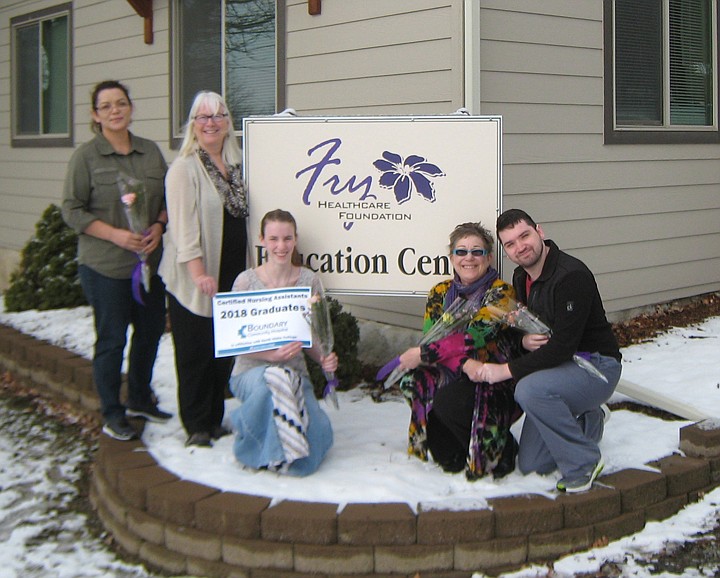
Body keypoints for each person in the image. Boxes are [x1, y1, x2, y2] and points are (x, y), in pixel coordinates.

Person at [471, 209, 622, 493]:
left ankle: (583, 464)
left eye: (524, 236)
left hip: (597, 367)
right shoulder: (520, 277)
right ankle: (591, 418)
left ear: (539, 232)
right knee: (532, 464)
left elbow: (563, 347)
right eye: (511, 244)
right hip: (559, 371)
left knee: (528, 390)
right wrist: (522, 342)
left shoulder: (571, 276)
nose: (520, 247)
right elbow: (525, 328)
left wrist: (504, 371)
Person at [62, 80, 171, 441]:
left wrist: (158, 225)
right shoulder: (86, 157)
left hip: (149, 265)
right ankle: (112, 410)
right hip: (105, 266)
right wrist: (115, 235)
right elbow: (71, 209)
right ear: (95, 114)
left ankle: (140, 397)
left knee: (151, 332)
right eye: (106, 106)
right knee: (112, 339)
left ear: (131, 108)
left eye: (121, 103)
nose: (115, 110)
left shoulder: (151, 153)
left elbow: (169, 201)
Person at [395, 222, 521, 480]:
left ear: (489, 257)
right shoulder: (439, 293)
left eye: (477, 251)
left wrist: (425, 355)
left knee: (450, 400)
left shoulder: (501, 293)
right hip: (455, 370)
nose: (469, 258)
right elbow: (432, 339)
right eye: (461, 251)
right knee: (414, 381)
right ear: (452, 257)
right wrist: (455, 362)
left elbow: (475, 336)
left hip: (493, 376)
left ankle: (501, 448)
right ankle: (461, 441)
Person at [159, 91, 248, 448]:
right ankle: (197, 424)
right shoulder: (184, 169)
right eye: (203, 117)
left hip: (229, 273)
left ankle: (214, 419)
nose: (211, 123)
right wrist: (198, 273)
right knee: (195, 352)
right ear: (193, 126)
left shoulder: (236, 166)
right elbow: (183, 230)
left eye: (218, 115)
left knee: (220, 352)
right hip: (196, 275)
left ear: (228, 122)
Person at [228, 209, 337, 476]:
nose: (281, 246)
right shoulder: (245, 282)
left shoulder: (308, 280)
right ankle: (251, 441)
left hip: (296, 375)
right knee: (271, 384)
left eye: (287, 238)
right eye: (274, 239)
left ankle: (289, 451)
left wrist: (323, 357)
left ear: (295, 239)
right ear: (262, 239)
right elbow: (234, 339)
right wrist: (272, 357)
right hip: (251, 373)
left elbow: (311, 336)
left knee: (320, 431)